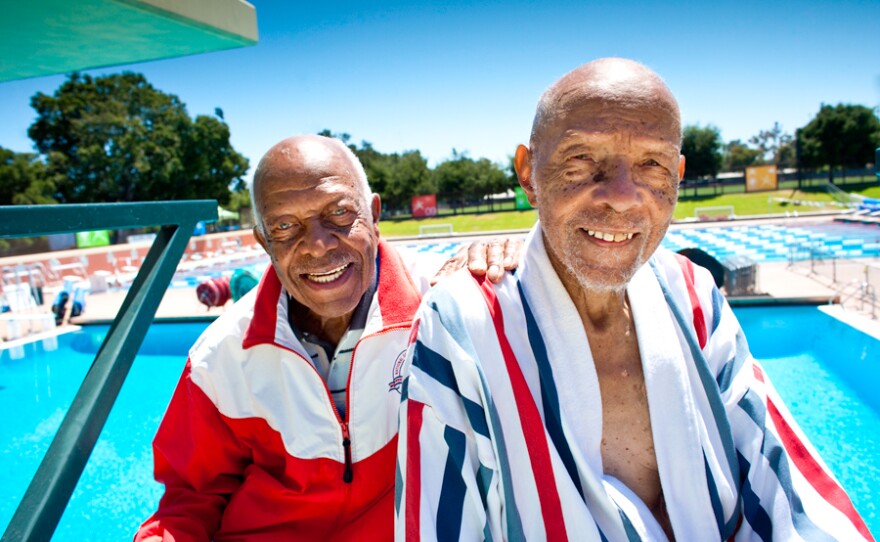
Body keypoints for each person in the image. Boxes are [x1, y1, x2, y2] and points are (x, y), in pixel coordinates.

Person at [396, 58, 872, 541]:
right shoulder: (461, 327)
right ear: (528, 173)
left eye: (652, 163)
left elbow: (786, 493)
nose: (622, 196)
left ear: (678, 175)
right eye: (582, 160)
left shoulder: (694, 297)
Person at [134, 134, 518, 541]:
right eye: (285, 226)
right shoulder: (220, 358)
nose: (317, 246)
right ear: (264, 241)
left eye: (338, 213)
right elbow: (191, 498)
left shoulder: (442, 307)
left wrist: (505, 262)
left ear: (373, 214)